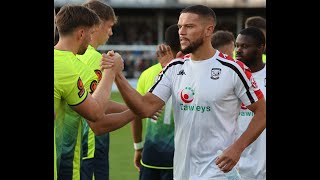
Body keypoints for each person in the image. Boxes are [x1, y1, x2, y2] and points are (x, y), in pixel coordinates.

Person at [103, 4, 266, 180]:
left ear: (208, 30)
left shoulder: (233, 69)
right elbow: (145, 108)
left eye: (189, 26)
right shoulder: (174, 67)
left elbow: (262, 112)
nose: (182, 32)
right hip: (182, 172)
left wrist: (237, 148)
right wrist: (117, 75)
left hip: (218, 173)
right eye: (180, 26)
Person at [54, 5, 151, 180]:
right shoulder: (73, 66)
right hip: (78, 158)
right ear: (82, 33)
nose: (111, 33)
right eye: (91, 32)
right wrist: (111, 72)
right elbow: (96, 115)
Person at [75, 1, 129, 179]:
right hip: (88, 148)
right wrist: (137, 111)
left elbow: (94, 101)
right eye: (109, 26)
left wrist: (135, 108)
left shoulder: (72, 55)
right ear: (97, 24)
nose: (111, 33)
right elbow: (96, 113)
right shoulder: (95, 59)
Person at [132, 24, 183, 180]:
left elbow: (136, 113)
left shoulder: (147, 74)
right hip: (181, 157)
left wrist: (138, 147)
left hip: (151, 154)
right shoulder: (193, 72)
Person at [235, 27, 266, 180]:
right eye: (237, 45)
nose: (238, 50)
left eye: (245, 46)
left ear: (261, 48)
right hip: (232, 164)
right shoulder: (230, 75)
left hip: (262, 165)